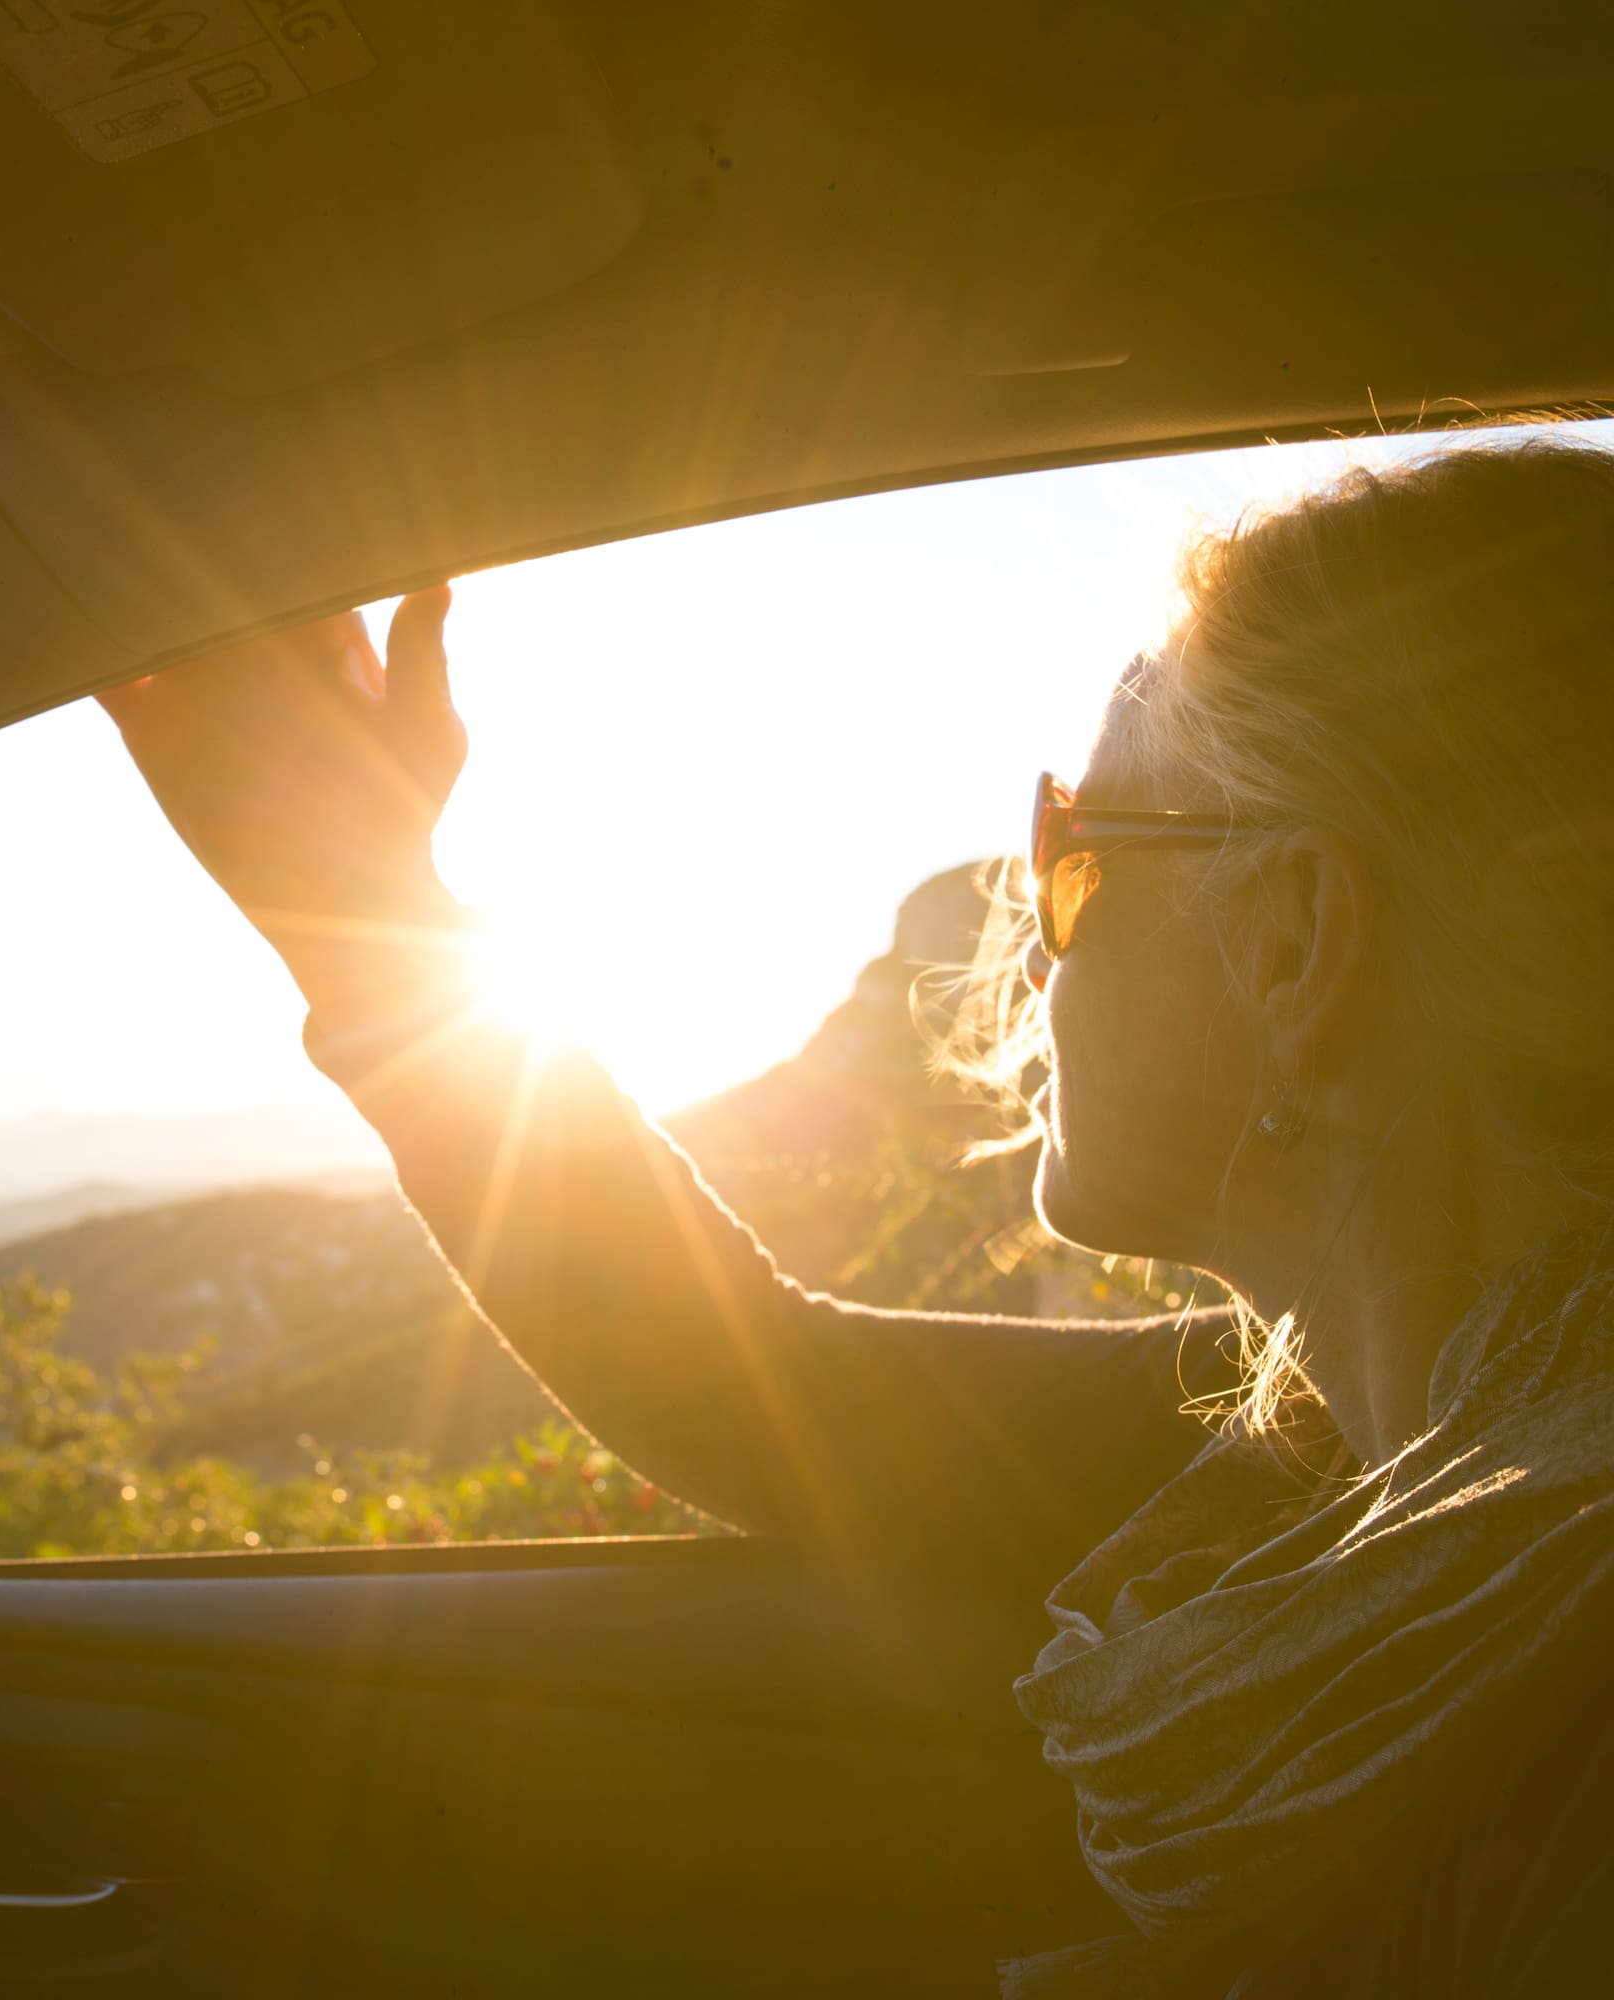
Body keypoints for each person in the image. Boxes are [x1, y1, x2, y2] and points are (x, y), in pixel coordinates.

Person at [100, 433, 1614, 1995]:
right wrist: (355, 906)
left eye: (1075, 854)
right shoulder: (1356, 1445)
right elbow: (753, 1378)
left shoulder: (1569, 1777)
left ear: (1295, 944)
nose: (1031, 937)